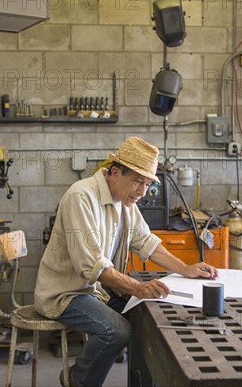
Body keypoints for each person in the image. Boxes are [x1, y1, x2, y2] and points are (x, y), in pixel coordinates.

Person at [34, 136, 217, 387]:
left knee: (146, 312)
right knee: (116, 330)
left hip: (95, 290)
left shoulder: (125, 200)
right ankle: (78, 379)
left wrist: (186, 268)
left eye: (147, 184)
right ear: (116, 173)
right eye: (138, 182)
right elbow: (93, 266)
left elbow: (146, 242)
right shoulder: (81, 197)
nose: (142, 192)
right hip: (65, 293)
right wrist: (138, 287)